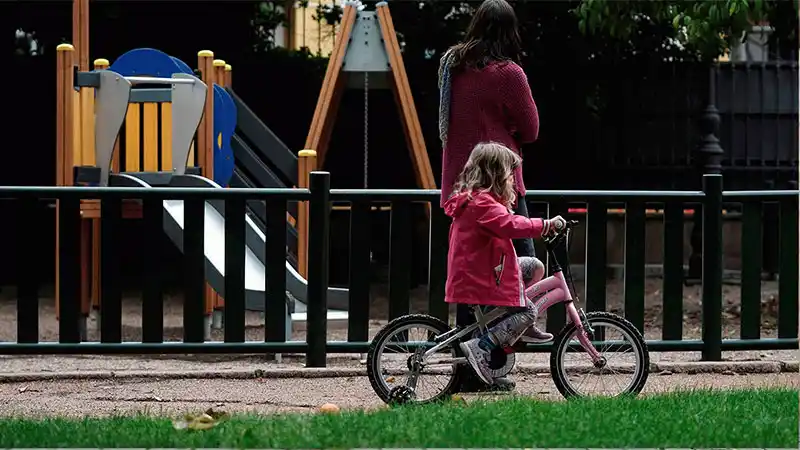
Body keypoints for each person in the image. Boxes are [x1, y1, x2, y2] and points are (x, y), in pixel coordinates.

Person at [438, 0, 542, 390]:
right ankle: (496, 351)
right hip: (499, 185)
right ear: (511, 31)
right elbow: (531, 129)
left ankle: (469, 371)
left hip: (461, 188)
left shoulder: (453, 68)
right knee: (522, 267)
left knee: (472, 279)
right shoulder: (508, 74)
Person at [443, 142, 566, 386]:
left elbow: (506, 220)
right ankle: (483, 345)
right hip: (481, 277)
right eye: (510, 174)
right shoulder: (482, 204)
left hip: (486, 269)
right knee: (528, 311)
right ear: (496, 175)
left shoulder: (480, 200)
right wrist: (545, 225)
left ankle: (514, 324)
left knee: (534, 266)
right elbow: (511, 225)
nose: (513, 180)